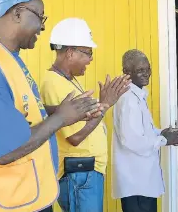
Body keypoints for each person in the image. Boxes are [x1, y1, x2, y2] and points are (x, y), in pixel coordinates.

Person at [0, 0, 103, 212]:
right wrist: (61, 118)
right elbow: (5, 150)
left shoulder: (8, 60)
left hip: (32, 197)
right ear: (17, 13)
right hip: (14, 204)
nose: (42, 28)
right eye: (41, 17)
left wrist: (63, 111)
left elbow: (18, 114)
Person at [40, 17, 131, 212]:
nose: (91, 59)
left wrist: (102, 105)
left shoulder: (68, 81)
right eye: (88, 53)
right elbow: (75, 137)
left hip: (85, 174)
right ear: (71, 53)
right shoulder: (53, 83)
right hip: (79, 175)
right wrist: (105, 104)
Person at [112, 49, 178, 212]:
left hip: (141, 179)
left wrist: (161, 133)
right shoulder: (129, 99)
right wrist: (164, 140)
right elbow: (132, 140)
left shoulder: (137, 95)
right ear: (127, 72)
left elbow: (141, 131)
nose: (146, 74)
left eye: (147, 69)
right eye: (140, 70)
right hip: (136, 180)